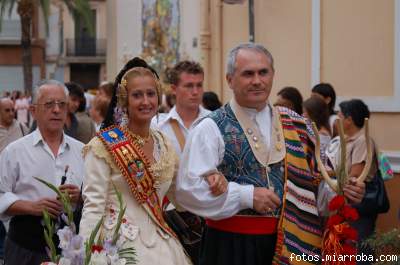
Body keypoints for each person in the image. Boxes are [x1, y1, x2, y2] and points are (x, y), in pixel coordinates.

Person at [176, 43, 366, 265]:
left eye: (263, 72)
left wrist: (343, 191)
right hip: (230, 247)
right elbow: (187, 190)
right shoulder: (210, 127)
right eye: (248, 73)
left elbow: (316, 192)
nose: (257, 80)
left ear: (273, 75)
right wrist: (247, 196)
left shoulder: (298, 126)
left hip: (293, 244)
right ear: (229, 80)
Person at [79, 58, 192, 265]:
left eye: (151, 94)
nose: (146, 101)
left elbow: (182, 194)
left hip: (163, 246)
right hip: (118, 248)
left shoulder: (165, 144)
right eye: (137, 95)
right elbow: (93, 206)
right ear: (124, 100)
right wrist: (88, 255)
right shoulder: (103, 146)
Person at [0, 80, 85, 265]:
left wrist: (81, 197)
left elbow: (97, 196)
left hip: (70, 250)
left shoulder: (83, 151)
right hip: (25, 246)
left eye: (62, 104)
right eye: (49, 104)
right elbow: (1, 195)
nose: (56, 110)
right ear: (33, 111)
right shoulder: (15, 151)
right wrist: (31, 207)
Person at [325, 99, 381, 265]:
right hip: (345, 203)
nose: (337, 119)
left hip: (358, 203)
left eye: (340, 115)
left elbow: (355, 175)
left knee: (358, 250)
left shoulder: (363, 141)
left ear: (349, 119)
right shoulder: (348, 140)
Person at [152, 60, 210, 156]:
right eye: (189, 86)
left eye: (199, 85)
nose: (195, 92)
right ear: (174, 89)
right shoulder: (158, 125)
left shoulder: (214, 121)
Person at [303, 96, 331, 163]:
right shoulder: (314, 129)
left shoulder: (323, 134)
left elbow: (319, 153)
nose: (303, 115)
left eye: (305, 112)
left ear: (313, 114)